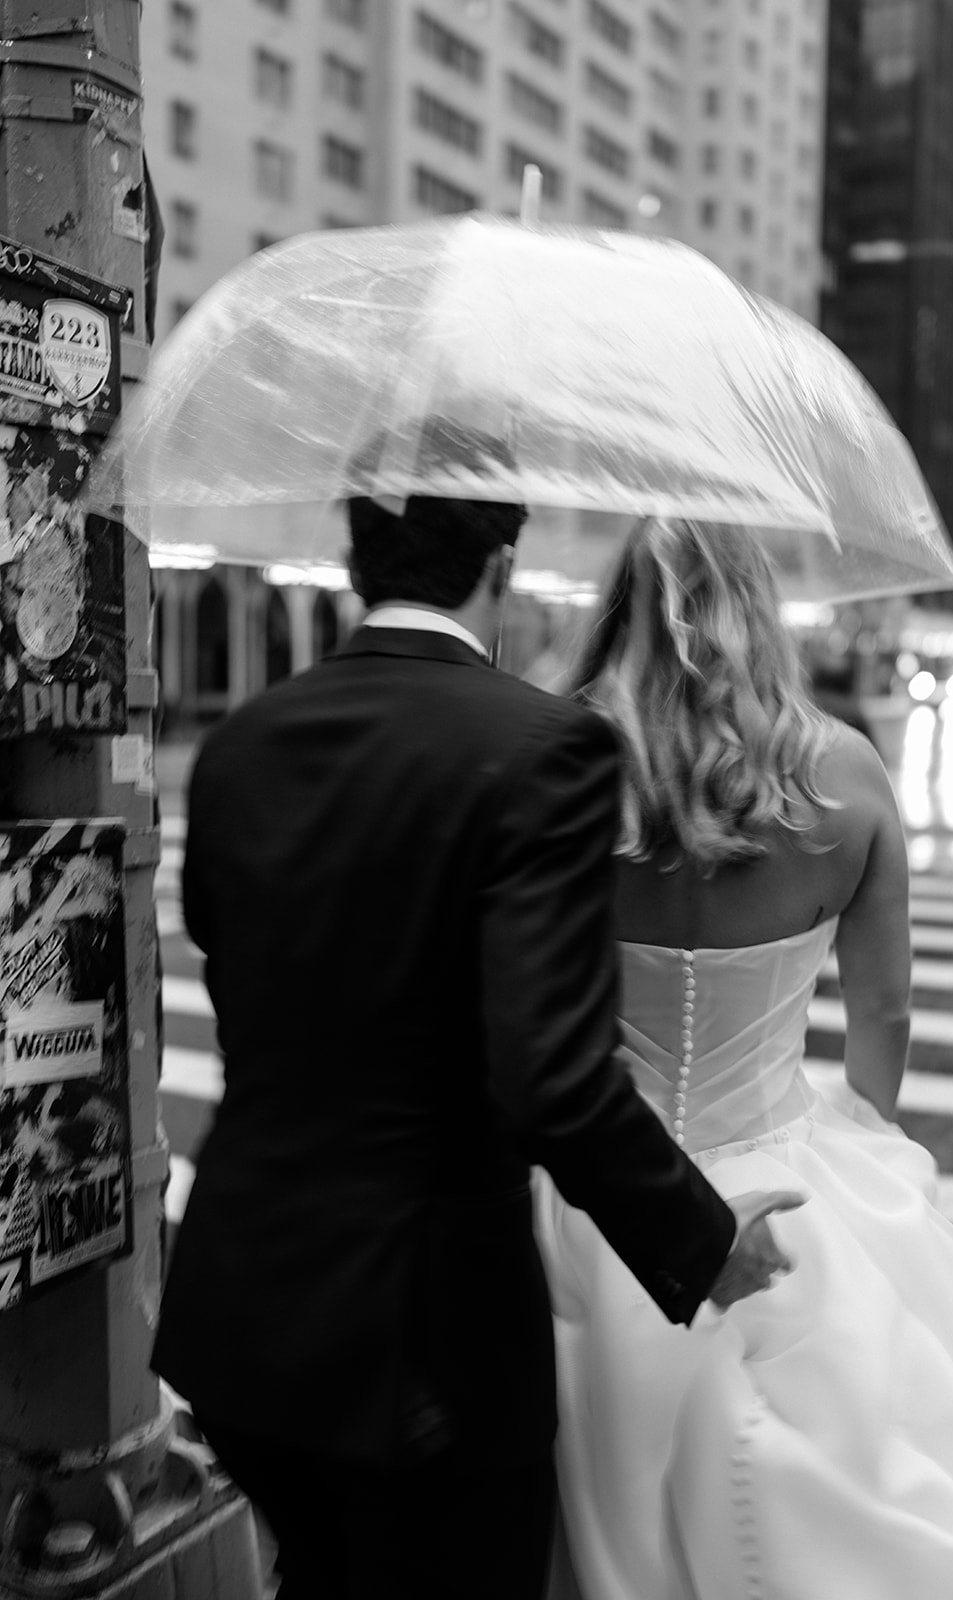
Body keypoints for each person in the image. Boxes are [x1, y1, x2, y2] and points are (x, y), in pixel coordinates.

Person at [151, 491, 803, 1600]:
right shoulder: (542, 747)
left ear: (358, 560)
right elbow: (548, 1078)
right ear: (499, 565)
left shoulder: (240, 744)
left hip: (238, 1311)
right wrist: (700, 1240)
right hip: (421, 1341)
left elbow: (226, 942)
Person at [538, 517, 953, 1600]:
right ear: (756, 608)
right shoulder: (845, 777)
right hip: (776, 1164)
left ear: (621, 608)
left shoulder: (553, 768)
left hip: (593, 1186)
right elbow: (883, 1009)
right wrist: (861, 1133)